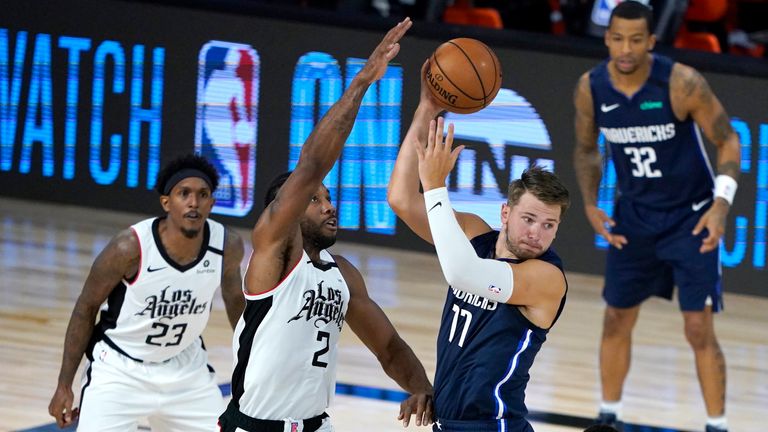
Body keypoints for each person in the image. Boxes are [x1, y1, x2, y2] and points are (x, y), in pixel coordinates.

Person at [217, 17, 434, 432]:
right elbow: (314, 163)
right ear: (288, 210)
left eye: (329, 198)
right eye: (314, 200)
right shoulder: (275, 251)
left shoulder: (343, 275)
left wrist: (420, 385)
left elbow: (388, 348)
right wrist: (363, 82)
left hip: (317, 425)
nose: (328, 206)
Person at [572, 2, 741, 432]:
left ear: (650, 42)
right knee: (615, 317)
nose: (625, 49)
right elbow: (587, 148)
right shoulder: (591, 88)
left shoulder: (681, 82)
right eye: (617, 38)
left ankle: (717, 425)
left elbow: (728, 141)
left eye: (635, 40)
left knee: (698, 328)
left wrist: (720, 205)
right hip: (633, 217)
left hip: (691, 218)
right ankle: (607, 418)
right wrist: (592, 205)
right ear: (607, 39)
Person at [388, 61, 571, 432]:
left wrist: (436, 186)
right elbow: (401, 199)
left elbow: (462, 273)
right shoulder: (475, 234)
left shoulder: (545, 278)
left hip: (494, 425)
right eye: (529, 219)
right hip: (448, 421)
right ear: (505, 212)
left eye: (549, 224)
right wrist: (427, 107)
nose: (537, 232)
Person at [48, 153, 246, 431]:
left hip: (185, 370)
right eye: (184, 194)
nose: (194, 202)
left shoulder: (227, 245)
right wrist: (64, 384)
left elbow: (236, 302)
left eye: (203, 195)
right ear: (166, 202)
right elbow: (86, 307)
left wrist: (254, 360)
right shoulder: (129, 248)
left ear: (212, 203)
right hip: (119, 370)